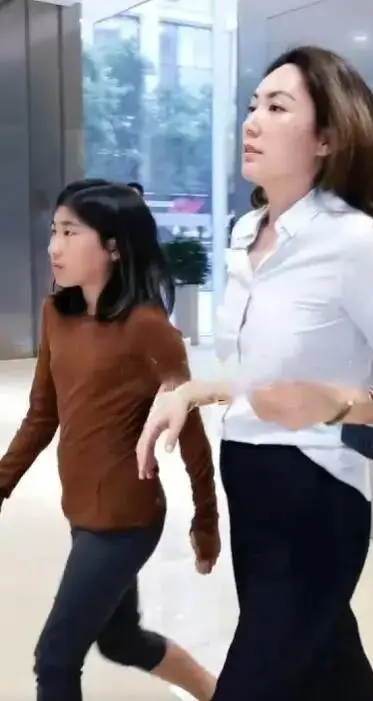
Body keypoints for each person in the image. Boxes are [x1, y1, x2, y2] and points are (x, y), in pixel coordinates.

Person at [136, 45, 373, 700]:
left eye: (277, 107)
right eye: (252, 105)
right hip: (248, 478)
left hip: (317, 494)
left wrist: (340, 401)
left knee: (258, 674)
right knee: (328, 663)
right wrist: (193, 390)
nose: (252, 121)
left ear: (326, 138)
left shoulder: (353, 242)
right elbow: (256, 369)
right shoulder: (245, 234)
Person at [0, 181, 220, 701]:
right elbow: (43, 415)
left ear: (113, 246)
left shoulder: (148, 328)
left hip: (125, 518)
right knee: (121, 640)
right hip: (81, 507)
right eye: (54, 231)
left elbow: (191, 432)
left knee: (55, 658)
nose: (53, 247)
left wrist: (206, 521)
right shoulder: (57, 314)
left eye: (70, 232)